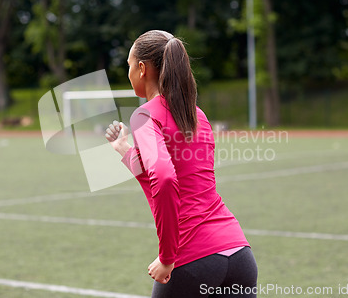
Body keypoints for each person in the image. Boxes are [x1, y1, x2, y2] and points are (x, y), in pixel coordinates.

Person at [105, 30, 257, 298]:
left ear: (142, 69)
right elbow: (182, 174)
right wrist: (126, 151)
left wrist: (166, 257)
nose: (128, 73)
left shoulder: (145, 115)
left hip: (194, 258)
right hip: (239, 254)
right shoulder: (197, 115)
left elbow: (163, 179)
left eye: (128, 65)